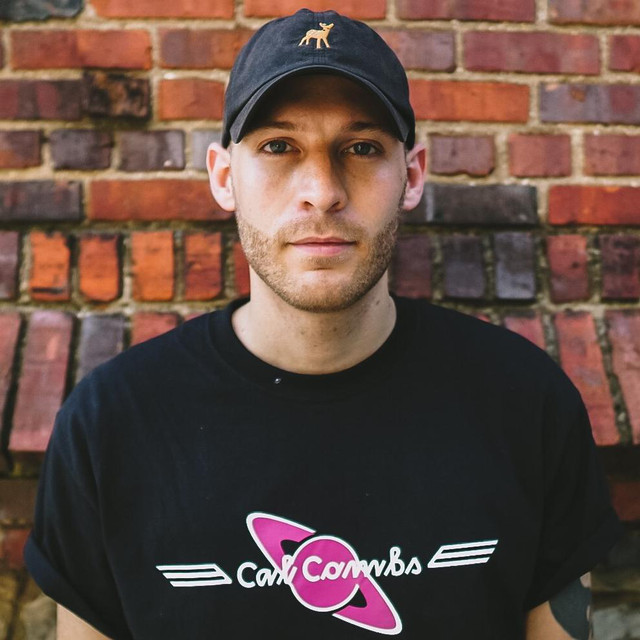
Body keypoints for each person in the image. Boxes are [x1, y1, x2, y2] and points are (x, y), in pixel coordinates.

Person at [25, 9, 621, 639]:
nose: (322, 190)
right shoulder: (111, 425)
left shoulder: (524, 403)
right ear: (224, 178)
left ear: (412, 176)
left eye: (361, 148)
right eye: (278, 147)